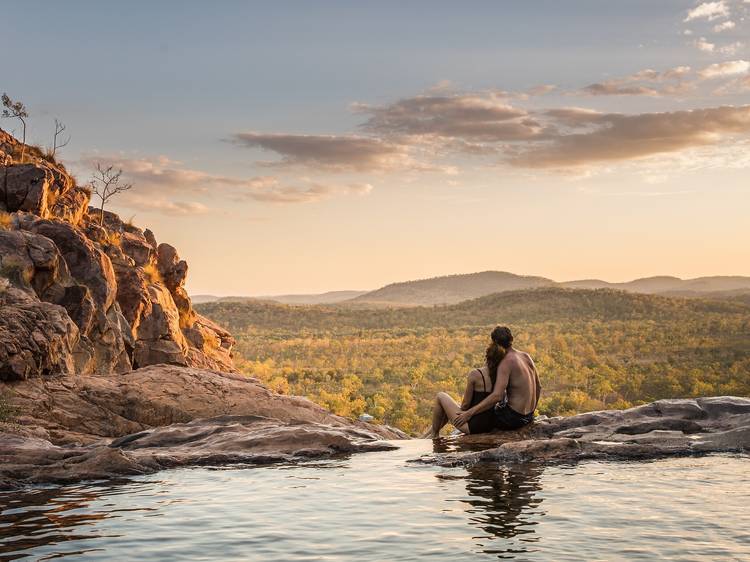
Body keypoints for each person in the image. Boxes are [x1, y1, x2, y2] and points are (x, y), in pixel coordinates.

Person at [454, 326, 540, 431]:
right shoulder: (526, 356)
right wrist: (531, 411)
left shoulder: (505, 362)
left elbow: (497, 396)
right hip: (529, 416)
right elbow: (539, 387)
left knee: (483, 416)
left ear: (494, 342)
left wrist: (469, 413)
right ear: (512, 338)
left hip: (513, 418)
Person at [426, 333, 507, 437]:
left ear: (486, 356)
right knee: (449, 405)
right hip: (490, 424)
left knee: (440, 396)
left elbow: (465, 406)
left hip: (472, 425)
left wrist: (464, 411)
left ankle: (434, 435)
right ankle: (427, 435)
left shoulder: (475, 374)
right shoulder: (502, 376)